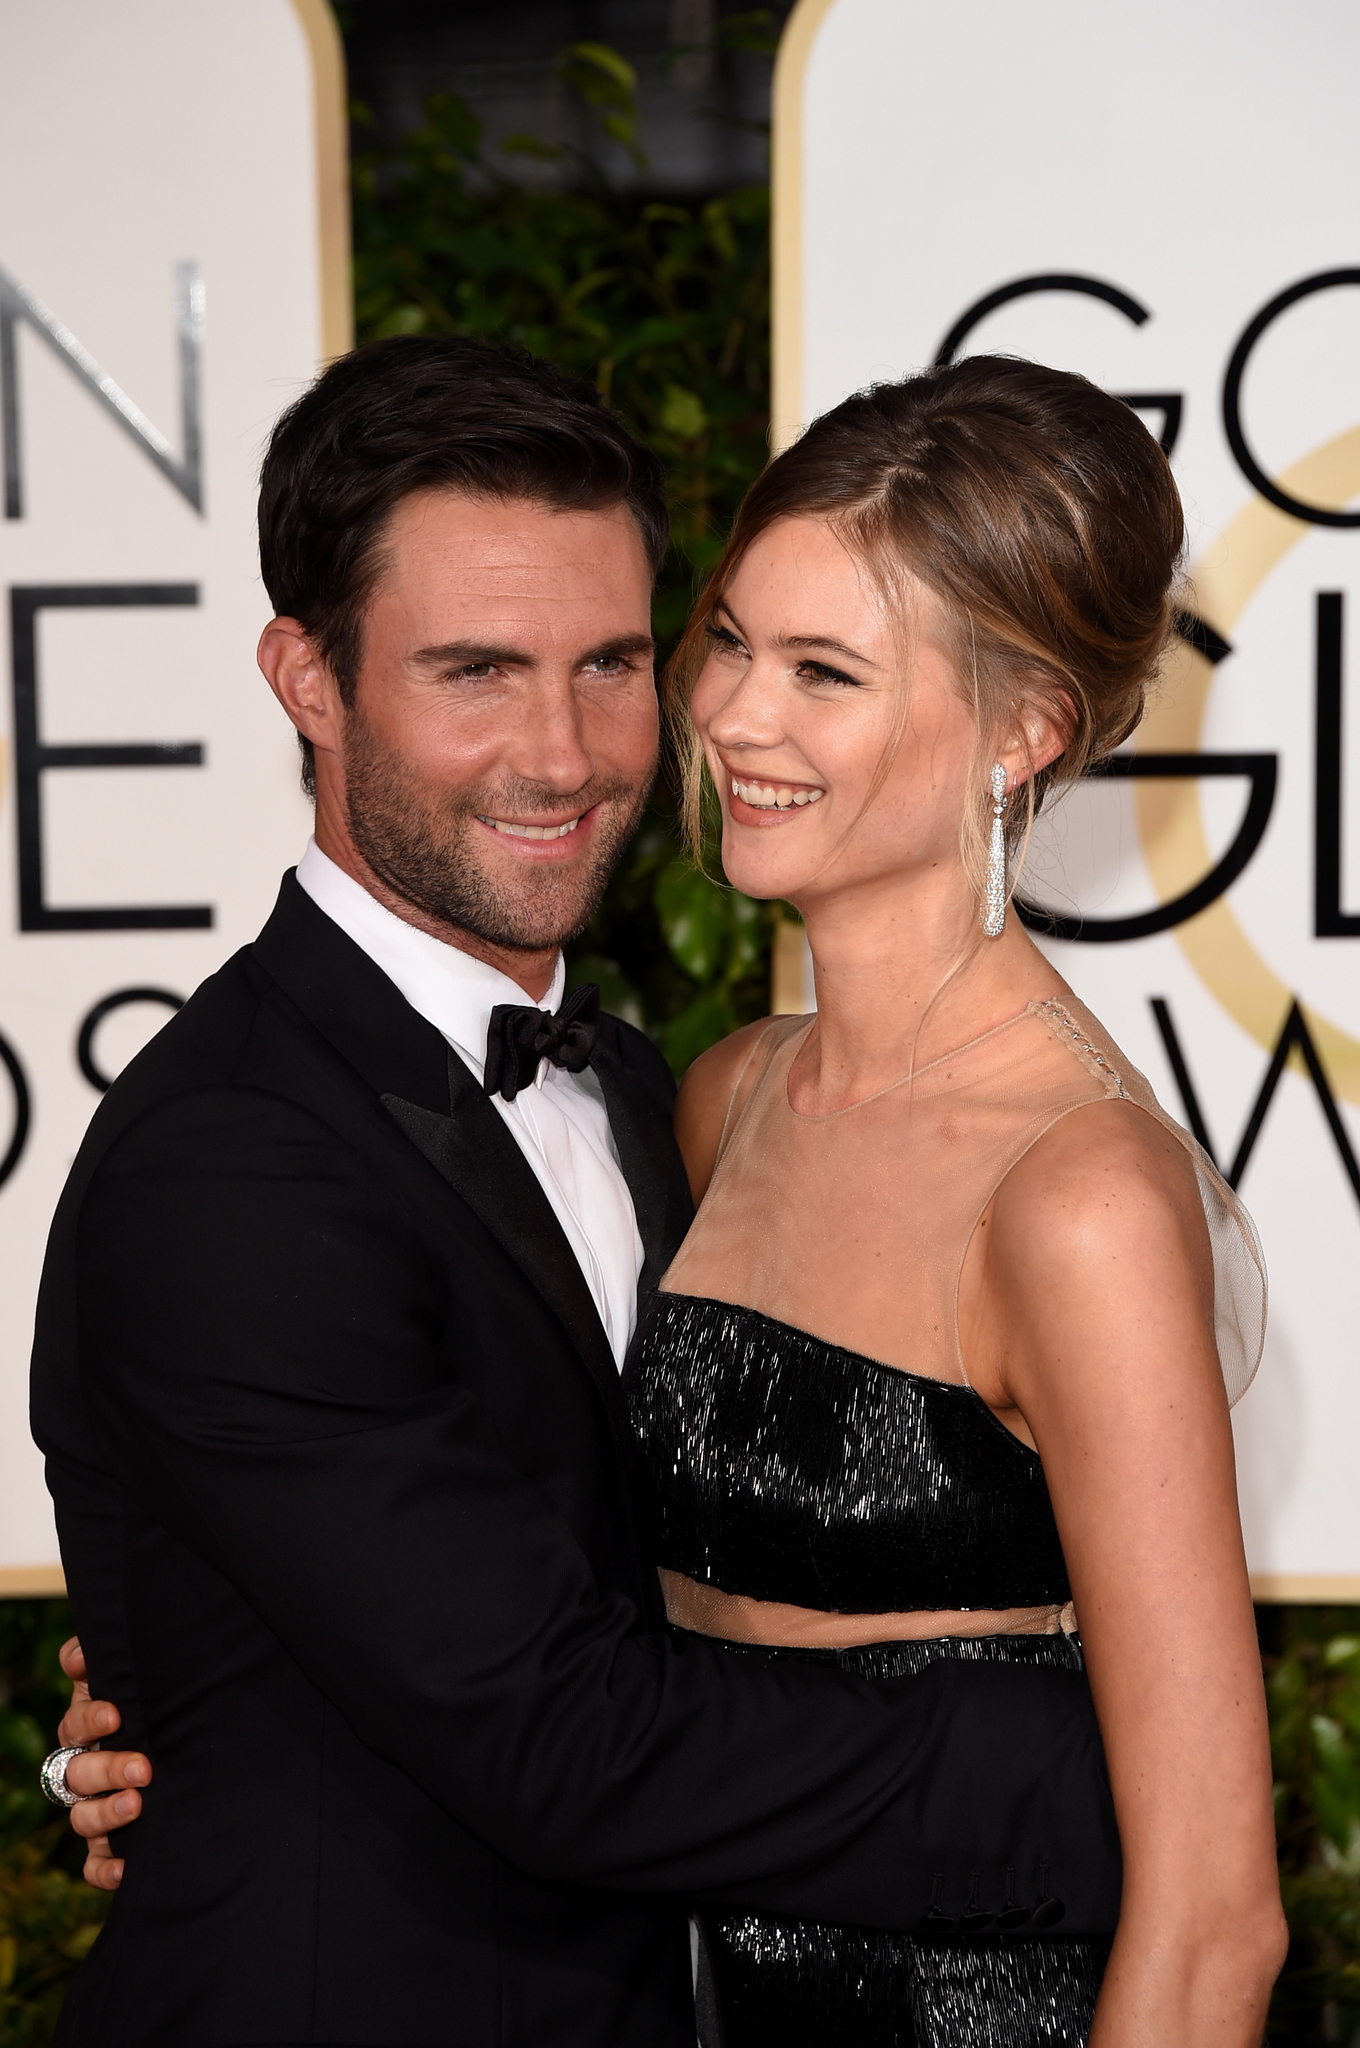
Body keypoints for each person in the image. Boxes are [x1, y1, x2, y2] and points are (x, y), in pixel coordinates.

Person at [31, 339, 1121, 2048]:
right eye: (476, 671)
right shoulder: (231, 1160)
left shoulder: (640, 1086)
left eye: (611, 662)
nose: (565, 754)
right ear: (304, 678)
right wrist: (1126, 1759)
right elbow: (570, 1741)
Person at [618, 356, 1287, 2043]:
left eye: (824, 671)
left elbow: (1216, 1925)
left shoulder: (1078, 1200)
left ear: (1025, 729)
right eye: (734, 642)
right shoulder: (731, 1095)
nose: (733, 716)